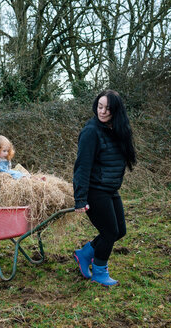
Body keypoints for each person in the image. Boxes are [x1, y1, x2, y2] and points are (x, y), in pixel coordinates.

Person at [72, 90, 137, 287]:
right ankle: (100, 271)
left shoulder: (117, 129)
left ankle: (85, 254)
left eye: (107, 108)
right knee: (109, 232)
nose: (102, 111)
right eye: (100, 107)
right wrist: (80, 199)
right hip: (94, 190)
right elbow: (82, 166)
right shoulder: (91, 131)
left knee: (120, 231)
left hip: (109, 189)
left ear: (116, 110)